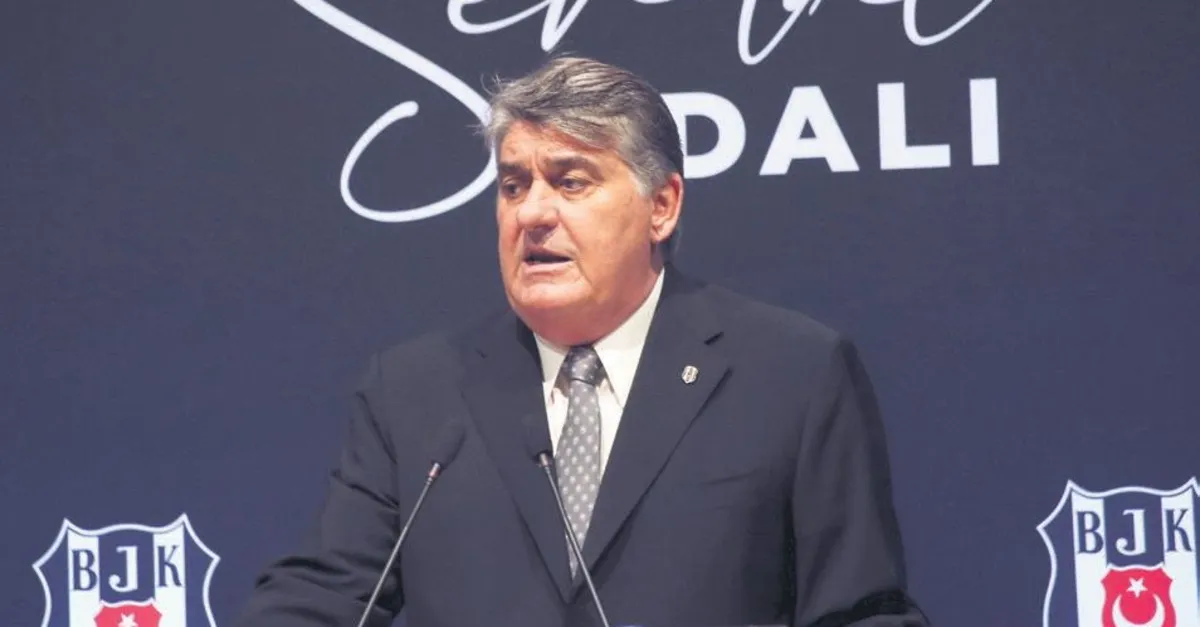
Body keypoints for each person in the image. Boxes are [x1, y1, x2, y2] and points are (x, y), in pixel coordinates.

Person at [232, 56, 928, 627]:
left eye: (570, 181)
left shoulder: (790, 374)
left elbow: (861, 611)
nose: (532, 212)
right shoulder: (416, 393)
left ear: (662, 206)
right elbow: (324, 595)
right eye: (513, 186)